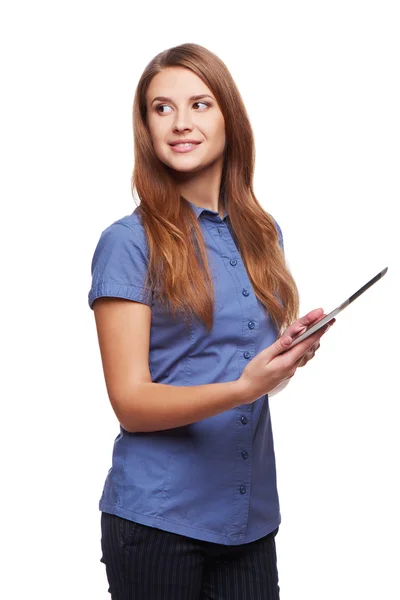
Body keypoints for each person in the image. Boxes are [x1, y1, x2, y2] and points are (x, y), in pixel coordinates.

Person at [88, 42, 334, 600]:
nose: (180, 123)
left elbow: (237, 360)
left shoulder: (261, 233)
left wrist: (282, 359)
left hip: (249, 517)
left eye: (199, 104)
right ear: (146, 126)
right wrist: (246, 385)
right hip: (158, 522)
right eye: (161, 108)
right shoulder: (128, 243)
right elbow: (130, 400)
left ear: (229, 117)